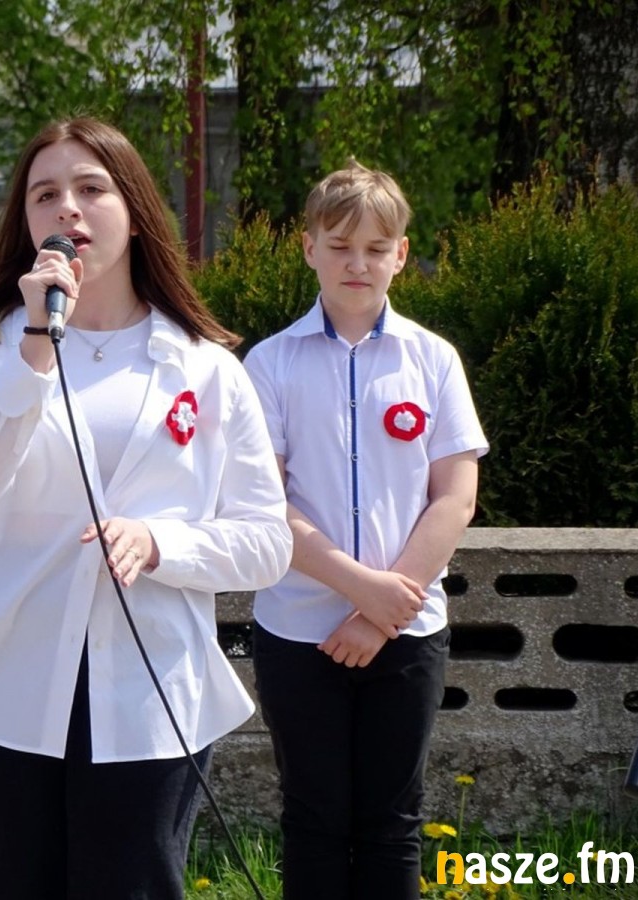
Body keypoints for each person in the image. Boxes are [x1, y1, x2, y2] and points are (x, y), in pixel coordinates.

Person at [0, 117, 293, 900]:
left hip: (150, 677)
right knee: (15, 880)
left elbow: (266, 542)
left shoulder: (207, 366)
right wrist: (34, 345)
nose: (68, 209)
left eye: (91, 189)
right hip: (6, 669)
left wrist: (160, 542)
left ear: (135, 211)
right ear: (25, 220)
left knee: (135, 879)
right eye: (45, 194)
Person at [243, 161, 488, 899]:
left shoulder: (434, 360)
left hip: (408, 635)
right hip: (298, 631)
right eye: (340, 245)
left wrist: (384, 612)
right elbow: (265, 502)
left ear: (402, 255)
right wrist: (361, 591)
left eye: (377, 248)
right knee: (313, 819)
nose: (359, 263)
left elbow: (455, 499)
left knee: (393, 822)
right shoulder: (269, 364)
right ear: (308, 247)